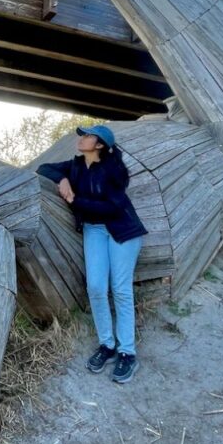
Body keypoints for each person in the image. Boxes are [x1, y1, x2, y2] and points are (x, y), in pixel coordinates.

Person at [37, 124, 148, 384]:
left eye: (87, 136)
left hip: (122, 230)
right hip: (94, 230)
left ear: (99, 145)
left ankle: (127, 352)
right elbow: (44, 168)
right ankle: (107, 346)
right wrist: (63, 179)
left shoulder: (115, 170)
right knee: (96, 287)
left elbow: (112, 207)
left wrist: (76, 202)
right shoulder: (75, 165)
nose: (82, 138)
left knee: (120, 289)